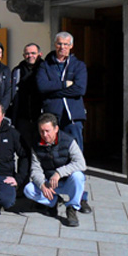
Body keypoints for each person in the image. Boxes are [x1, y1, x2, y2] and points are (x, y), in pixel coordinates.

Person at [36, 31, 90, 213]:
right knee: (50, 155)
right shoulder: (45, 65)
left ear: (71, 46)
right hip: (52, 118)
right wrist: (65, 84)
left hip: (72, 118)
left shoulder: (79, 65)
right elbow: (42, 87)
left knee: (77, 157)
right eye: (59, 44)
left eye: (66, 44)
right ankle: (51, 192)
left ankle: (80, 197)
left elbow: (80, 89)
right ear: (55, 44)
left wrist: (56, 89)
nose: (62, 47)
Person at [23, 113, 87, 227]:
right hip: (49, 183)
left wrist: (59, 173)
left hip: (67, 181)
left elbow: (81, 163)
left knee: (79, 176)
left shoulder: (69, 141)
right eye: (41, 131)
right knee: (28, 189)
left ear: (56, 129)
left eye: (48, 131)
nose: (44, 134)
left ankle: (72, 207)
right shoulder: (36, 144)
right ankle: (54, 202)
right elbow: (35, 169)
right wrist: (42, 184)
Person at [9, 43, 44, 152]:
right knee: (24, 150)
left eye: (33, 53)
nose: (30, 56)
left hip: (41, 117)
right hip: (22, 119)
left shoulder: (46, 69)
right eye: (27, 54)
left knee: (41, 150)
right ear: (24, 55)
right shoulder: (17, 71)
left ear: (39, 54)